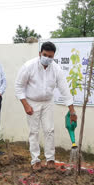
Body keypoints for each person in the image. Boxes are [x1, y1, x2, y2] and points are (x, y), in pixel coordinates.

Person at [15, 41, 77, 170]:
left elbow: (64, 89)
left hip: (48, 102)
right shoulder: (28, 66)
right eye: (45, 55)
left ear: (53, 56)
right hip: (32, 102)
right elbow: (19, 87)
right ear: (40, 53)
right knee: (34, 132)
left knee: (49, 130)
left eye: (50, 56)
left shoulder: (56, 68)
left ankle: (50, 159)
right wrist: (25, 105)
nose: (47, 58)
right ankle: (35, 160)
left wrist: (72, 111)